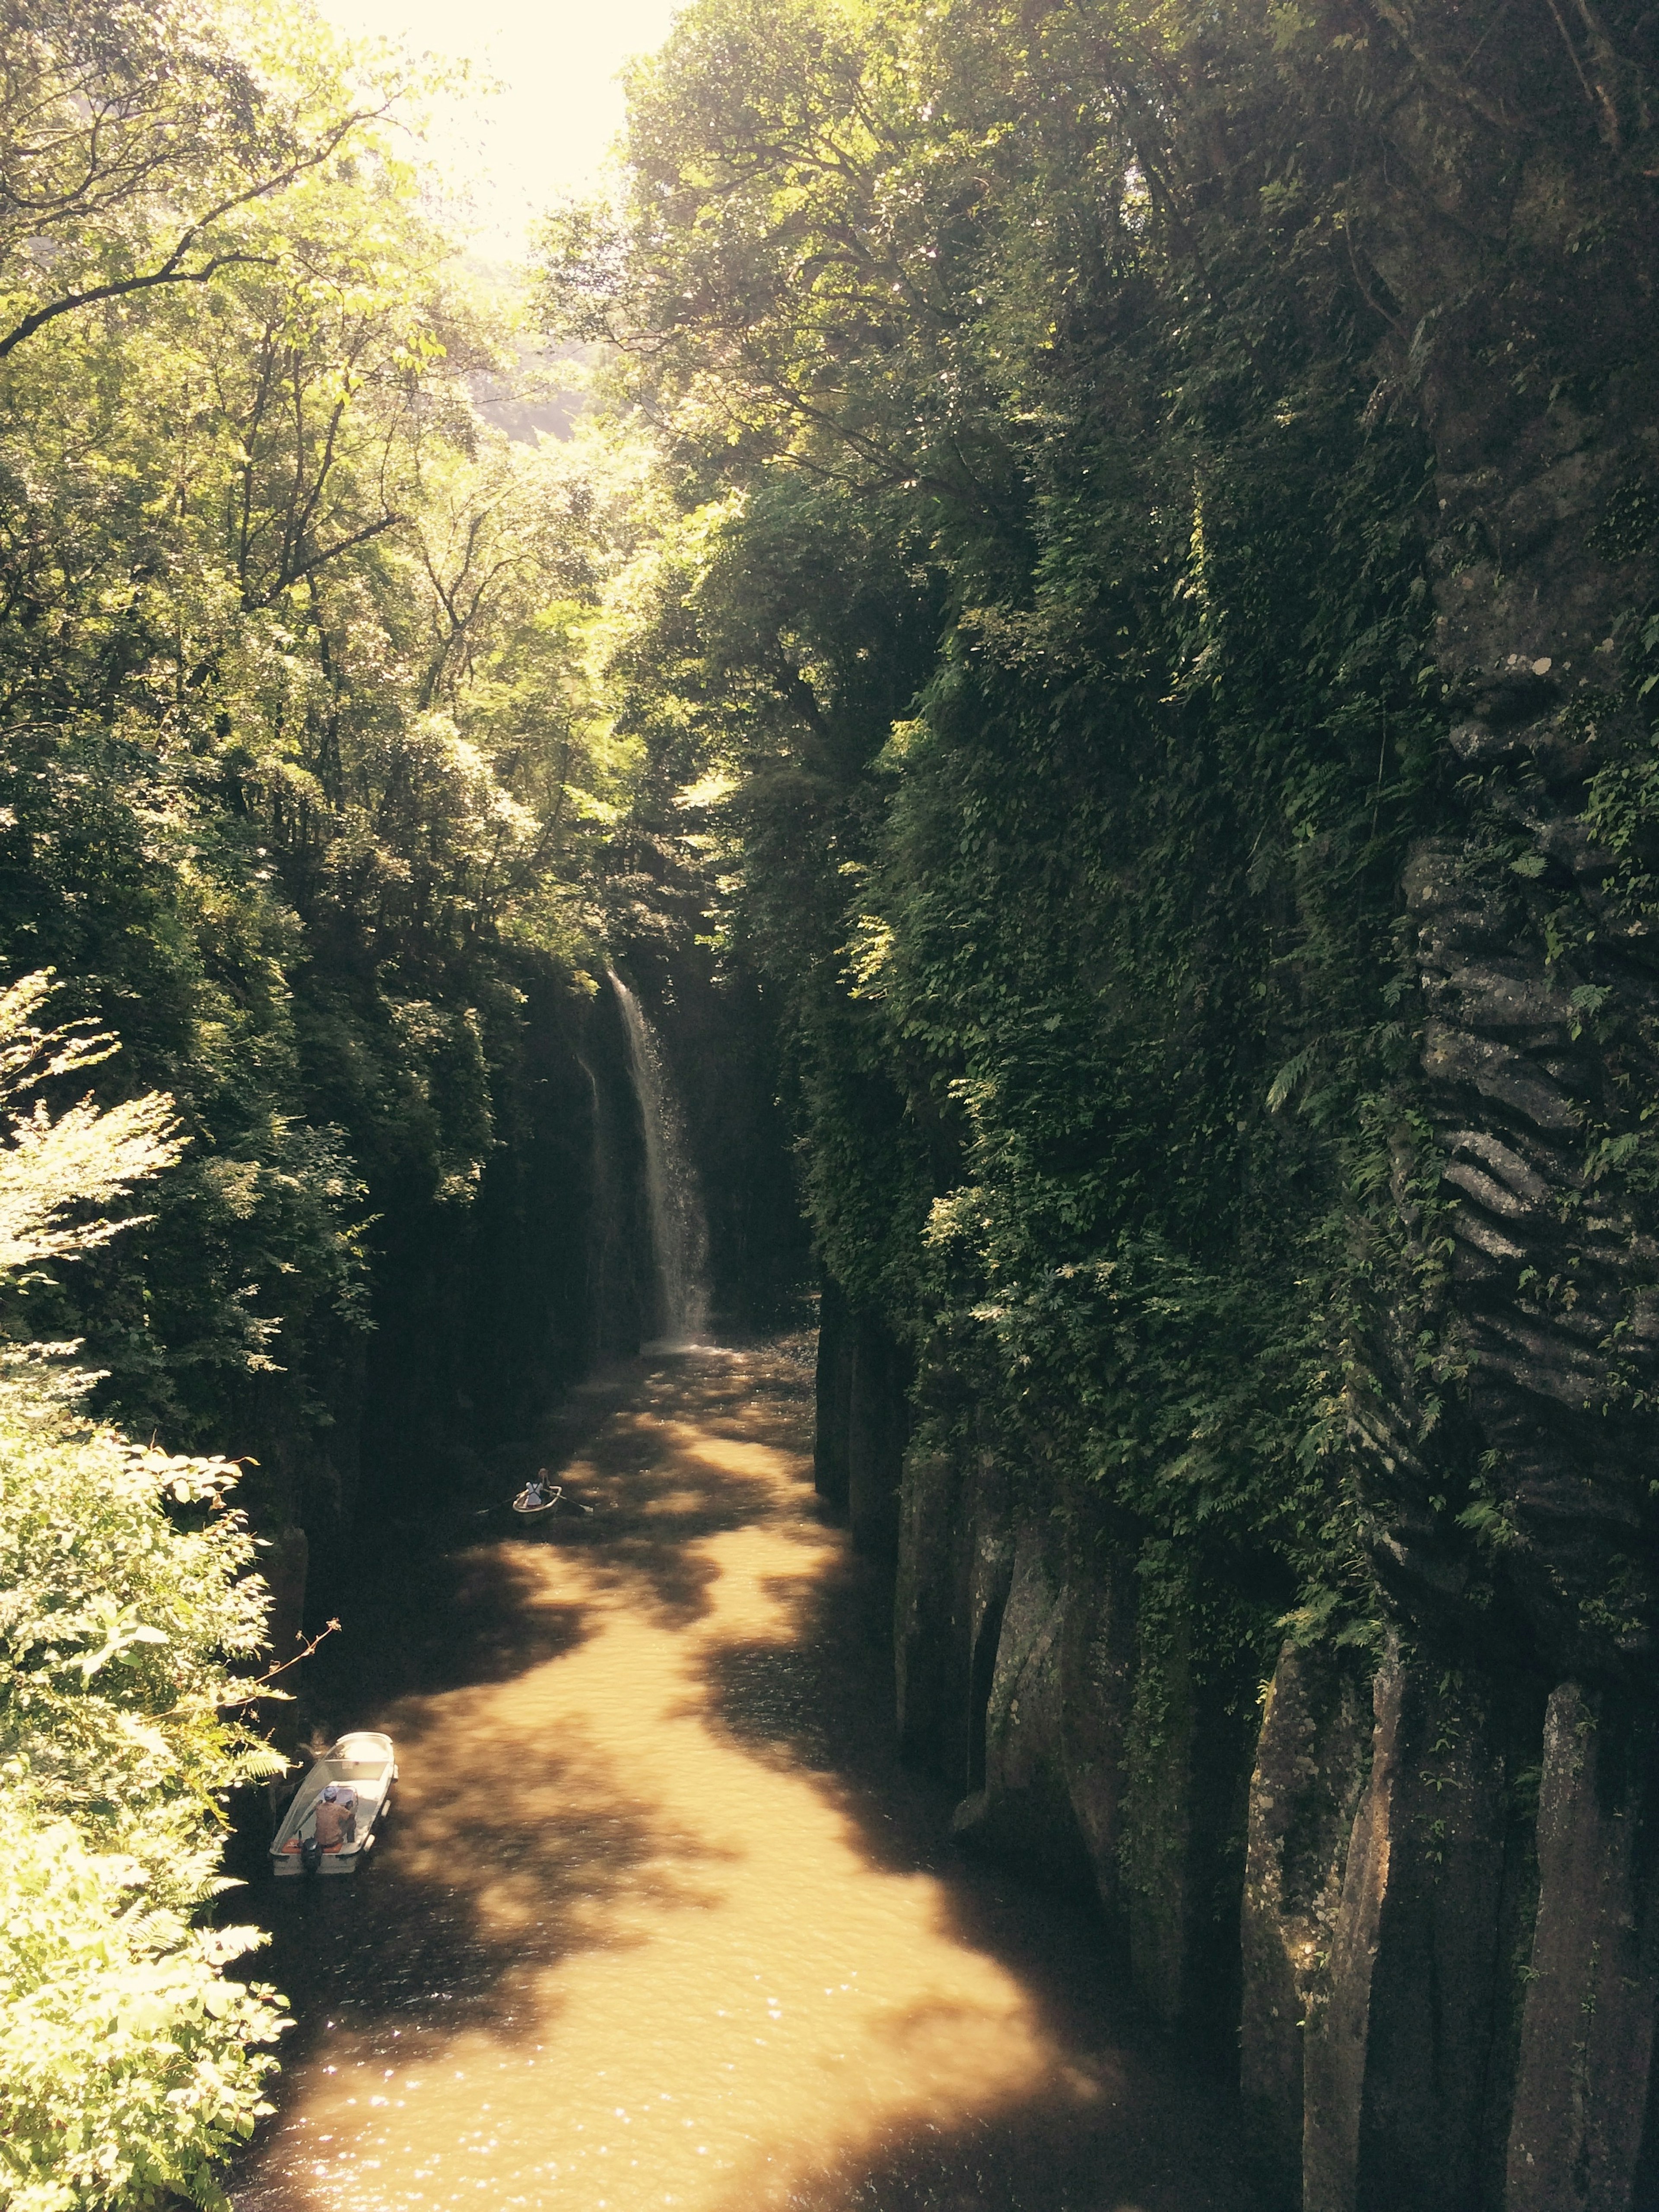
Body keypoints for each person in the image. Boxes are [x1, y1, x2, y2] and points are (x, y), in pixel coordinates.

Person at [312, 1783, 352, 1853]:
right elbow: (350, 1816)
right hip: (333, 1842)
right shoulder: (338, 1809)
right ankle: (351, 1843)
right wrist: (347, 1809)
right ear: (335, 1797)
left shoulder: (319, 1808)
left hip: (319, 1841)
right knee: (352, 1821)